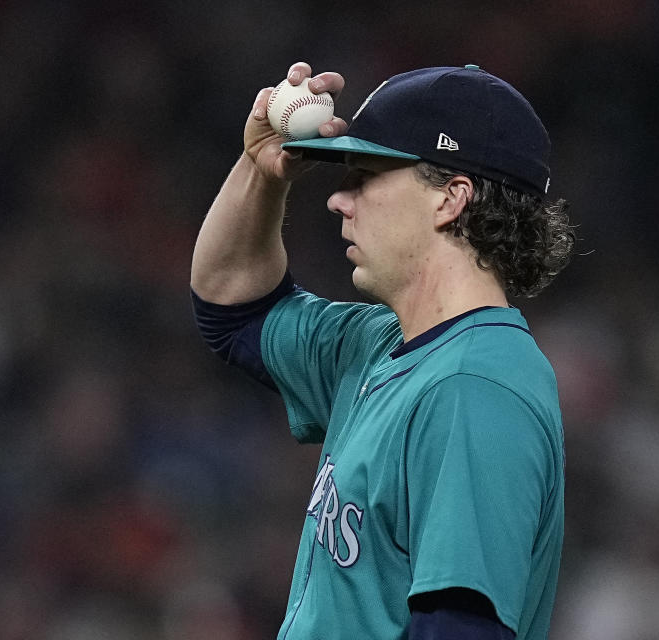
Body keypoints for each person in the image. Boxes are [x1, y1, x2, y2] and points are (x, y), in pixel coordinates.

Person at [190, 61, 574, 640]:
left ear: (451, 199)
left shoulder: (475, 389)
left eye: (366, 176)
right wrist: (260, 171)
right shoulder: (377, 345)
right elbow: (232, 309)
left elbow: (460, 629)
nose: (338, 200)